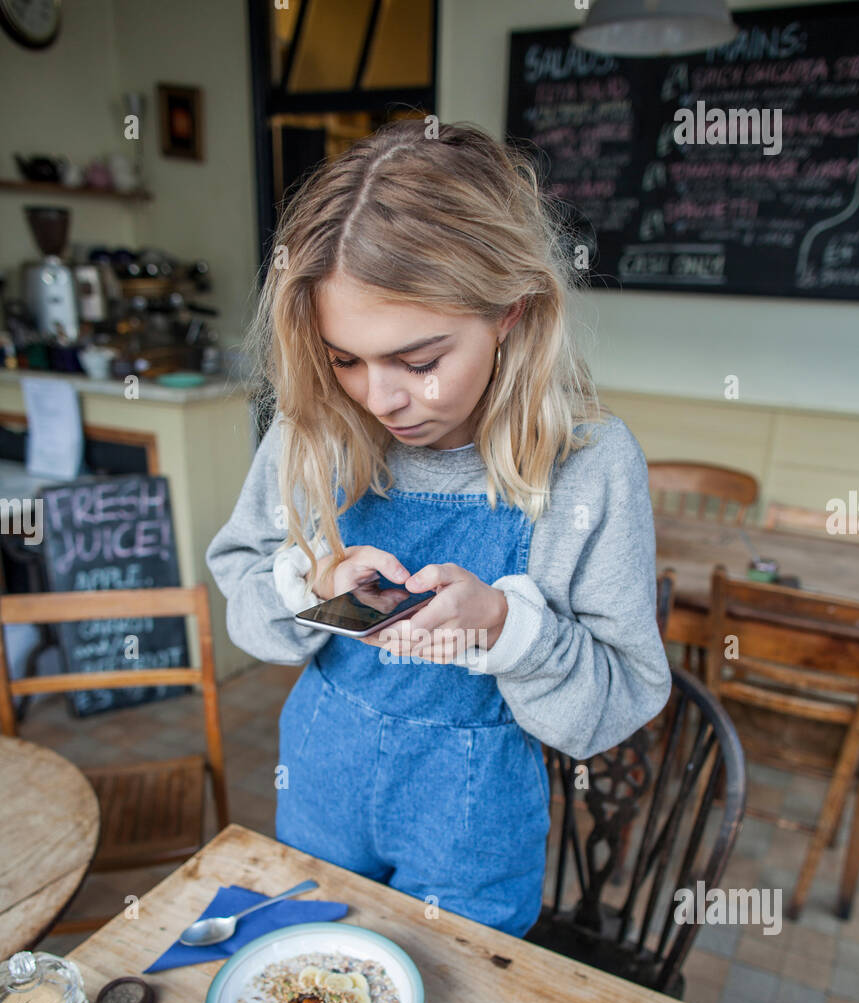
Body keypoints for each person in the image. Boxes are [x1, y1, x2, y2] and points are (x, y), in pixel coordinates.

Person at [206, 119, 671, 938]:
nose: (379, 399)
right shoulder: (313, 426)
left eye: (418, 362)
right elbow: (246, 590)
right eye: (345, 358)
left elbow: (616, 702)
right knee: (319, 998)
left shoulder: (590, 467)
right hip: (320, 779)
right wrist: (311, 585)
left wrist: (502, 624)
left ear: (511, 316)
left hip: (471, 824)